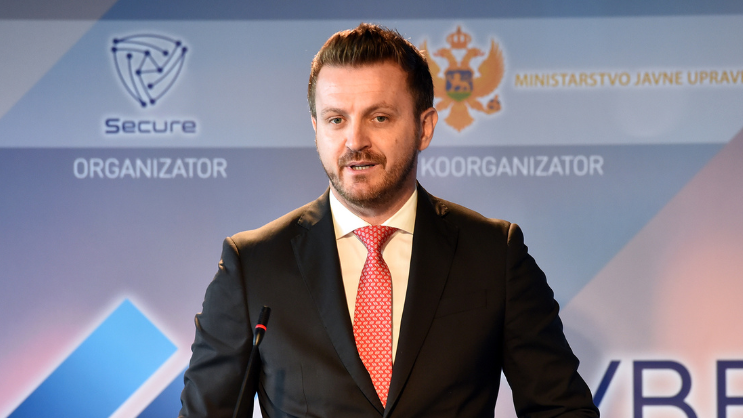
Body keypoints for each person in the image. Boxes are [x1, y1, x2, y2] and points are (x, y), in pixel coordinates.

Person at [179, 23, 599, 418]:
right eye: (336, 119)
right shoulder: (253, 266)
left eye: (379, 117)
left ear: (424, 127)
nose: (355, 141)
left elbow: (562, 410)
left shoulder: (493, 255)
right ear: (316, 129)